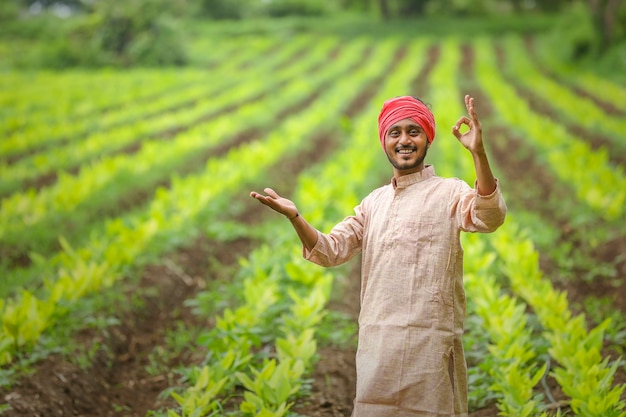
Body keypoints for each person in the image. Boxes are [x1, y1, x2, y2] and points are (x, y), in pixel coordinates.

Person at [250, 95, 506, 416]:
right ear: (384, 141)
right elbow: (330, 250)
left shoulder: (449, 192)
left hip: (429, 346)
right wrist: (295, 217)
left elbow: (489, 216)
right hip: (379, 345)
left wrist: (479, 153)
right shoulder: (374, 202)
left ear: (428, 138)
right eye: (394, 132)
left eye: (413, 131)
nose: (404, 140)